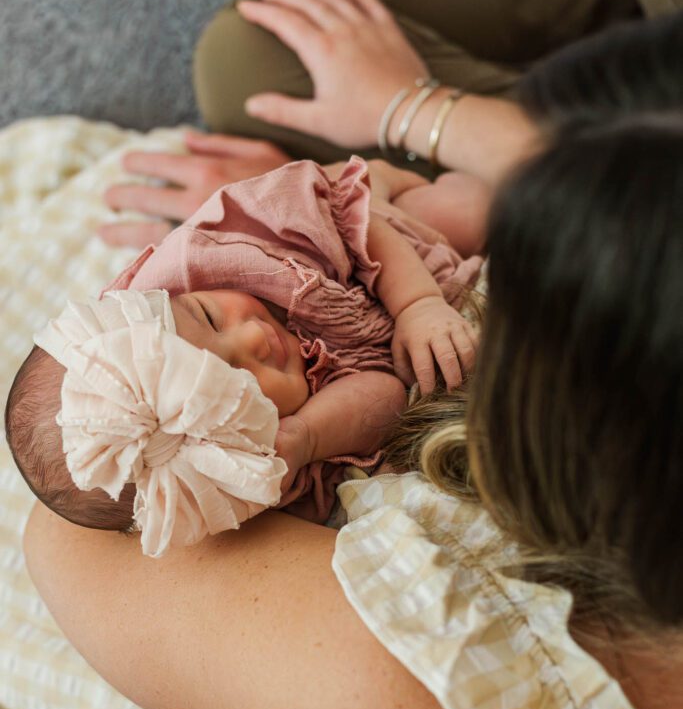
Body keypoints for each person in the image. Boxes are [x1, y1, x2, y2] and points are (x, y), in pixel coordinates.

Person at [18, 5, 683, 709]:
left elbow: (69, 540)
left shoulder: (467, 685)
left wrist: (285, 434)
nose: (252, 330)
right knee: (246, 61)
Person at [6, 156, 483, 557]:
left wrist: (418, 305)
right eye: (242, 382)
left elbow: (348, 222)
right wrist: (307, 435)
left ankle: (402, 171)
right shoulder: (270, 461)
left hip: (383, 250)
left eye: (209, 317)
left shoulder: (208, 263)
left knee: (468, 210)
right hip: (381, 338)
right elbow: (388, 391)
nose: (252, 338)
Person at [97, 0, 681, 251]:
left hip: (610, 198)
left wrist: (306, 211)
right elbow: (617, 194)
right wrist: (406, 107)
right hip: (629, 199)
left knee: (249, 58)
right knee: (264, 52)